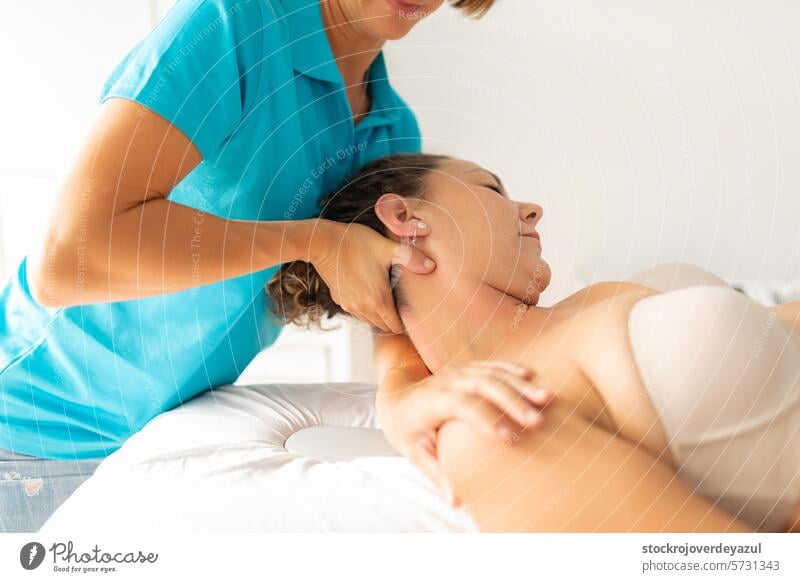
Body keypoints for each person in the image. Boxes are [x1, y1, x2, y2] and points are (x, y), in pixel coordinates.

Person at [0, 0, 502, 533]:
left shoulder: (392, 129)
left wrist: (405, 398)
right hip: (30, 434)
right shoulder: (233, 25)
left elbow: (393, 303)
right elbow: (67, 261)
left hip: (163, 442)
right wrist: (311, 239)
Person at [267, 152, 800, 532]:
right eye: (492, 189)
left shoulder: (593, 302)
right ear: (406, 218)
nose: (532, 209)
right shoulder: (493, 424)